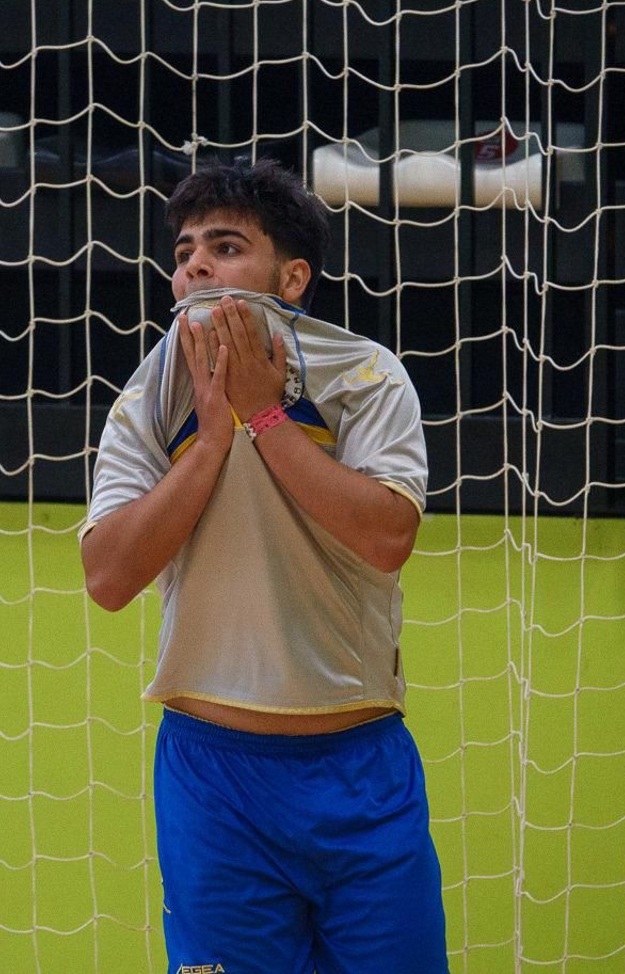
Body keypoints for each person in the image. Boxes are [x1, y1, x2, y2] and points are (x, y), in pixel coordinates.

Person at [80, 160, 447, 973]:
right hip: (213, 779)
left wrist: (267, 416)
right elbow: (106, 578)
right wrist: (210, 442)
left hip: (358, 771)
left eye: (224, 246)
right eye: (183, 253)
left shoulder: (368, 374)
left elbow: (388, 537)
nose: (195, 266)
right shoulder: (150, 395)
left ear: (292, 276)